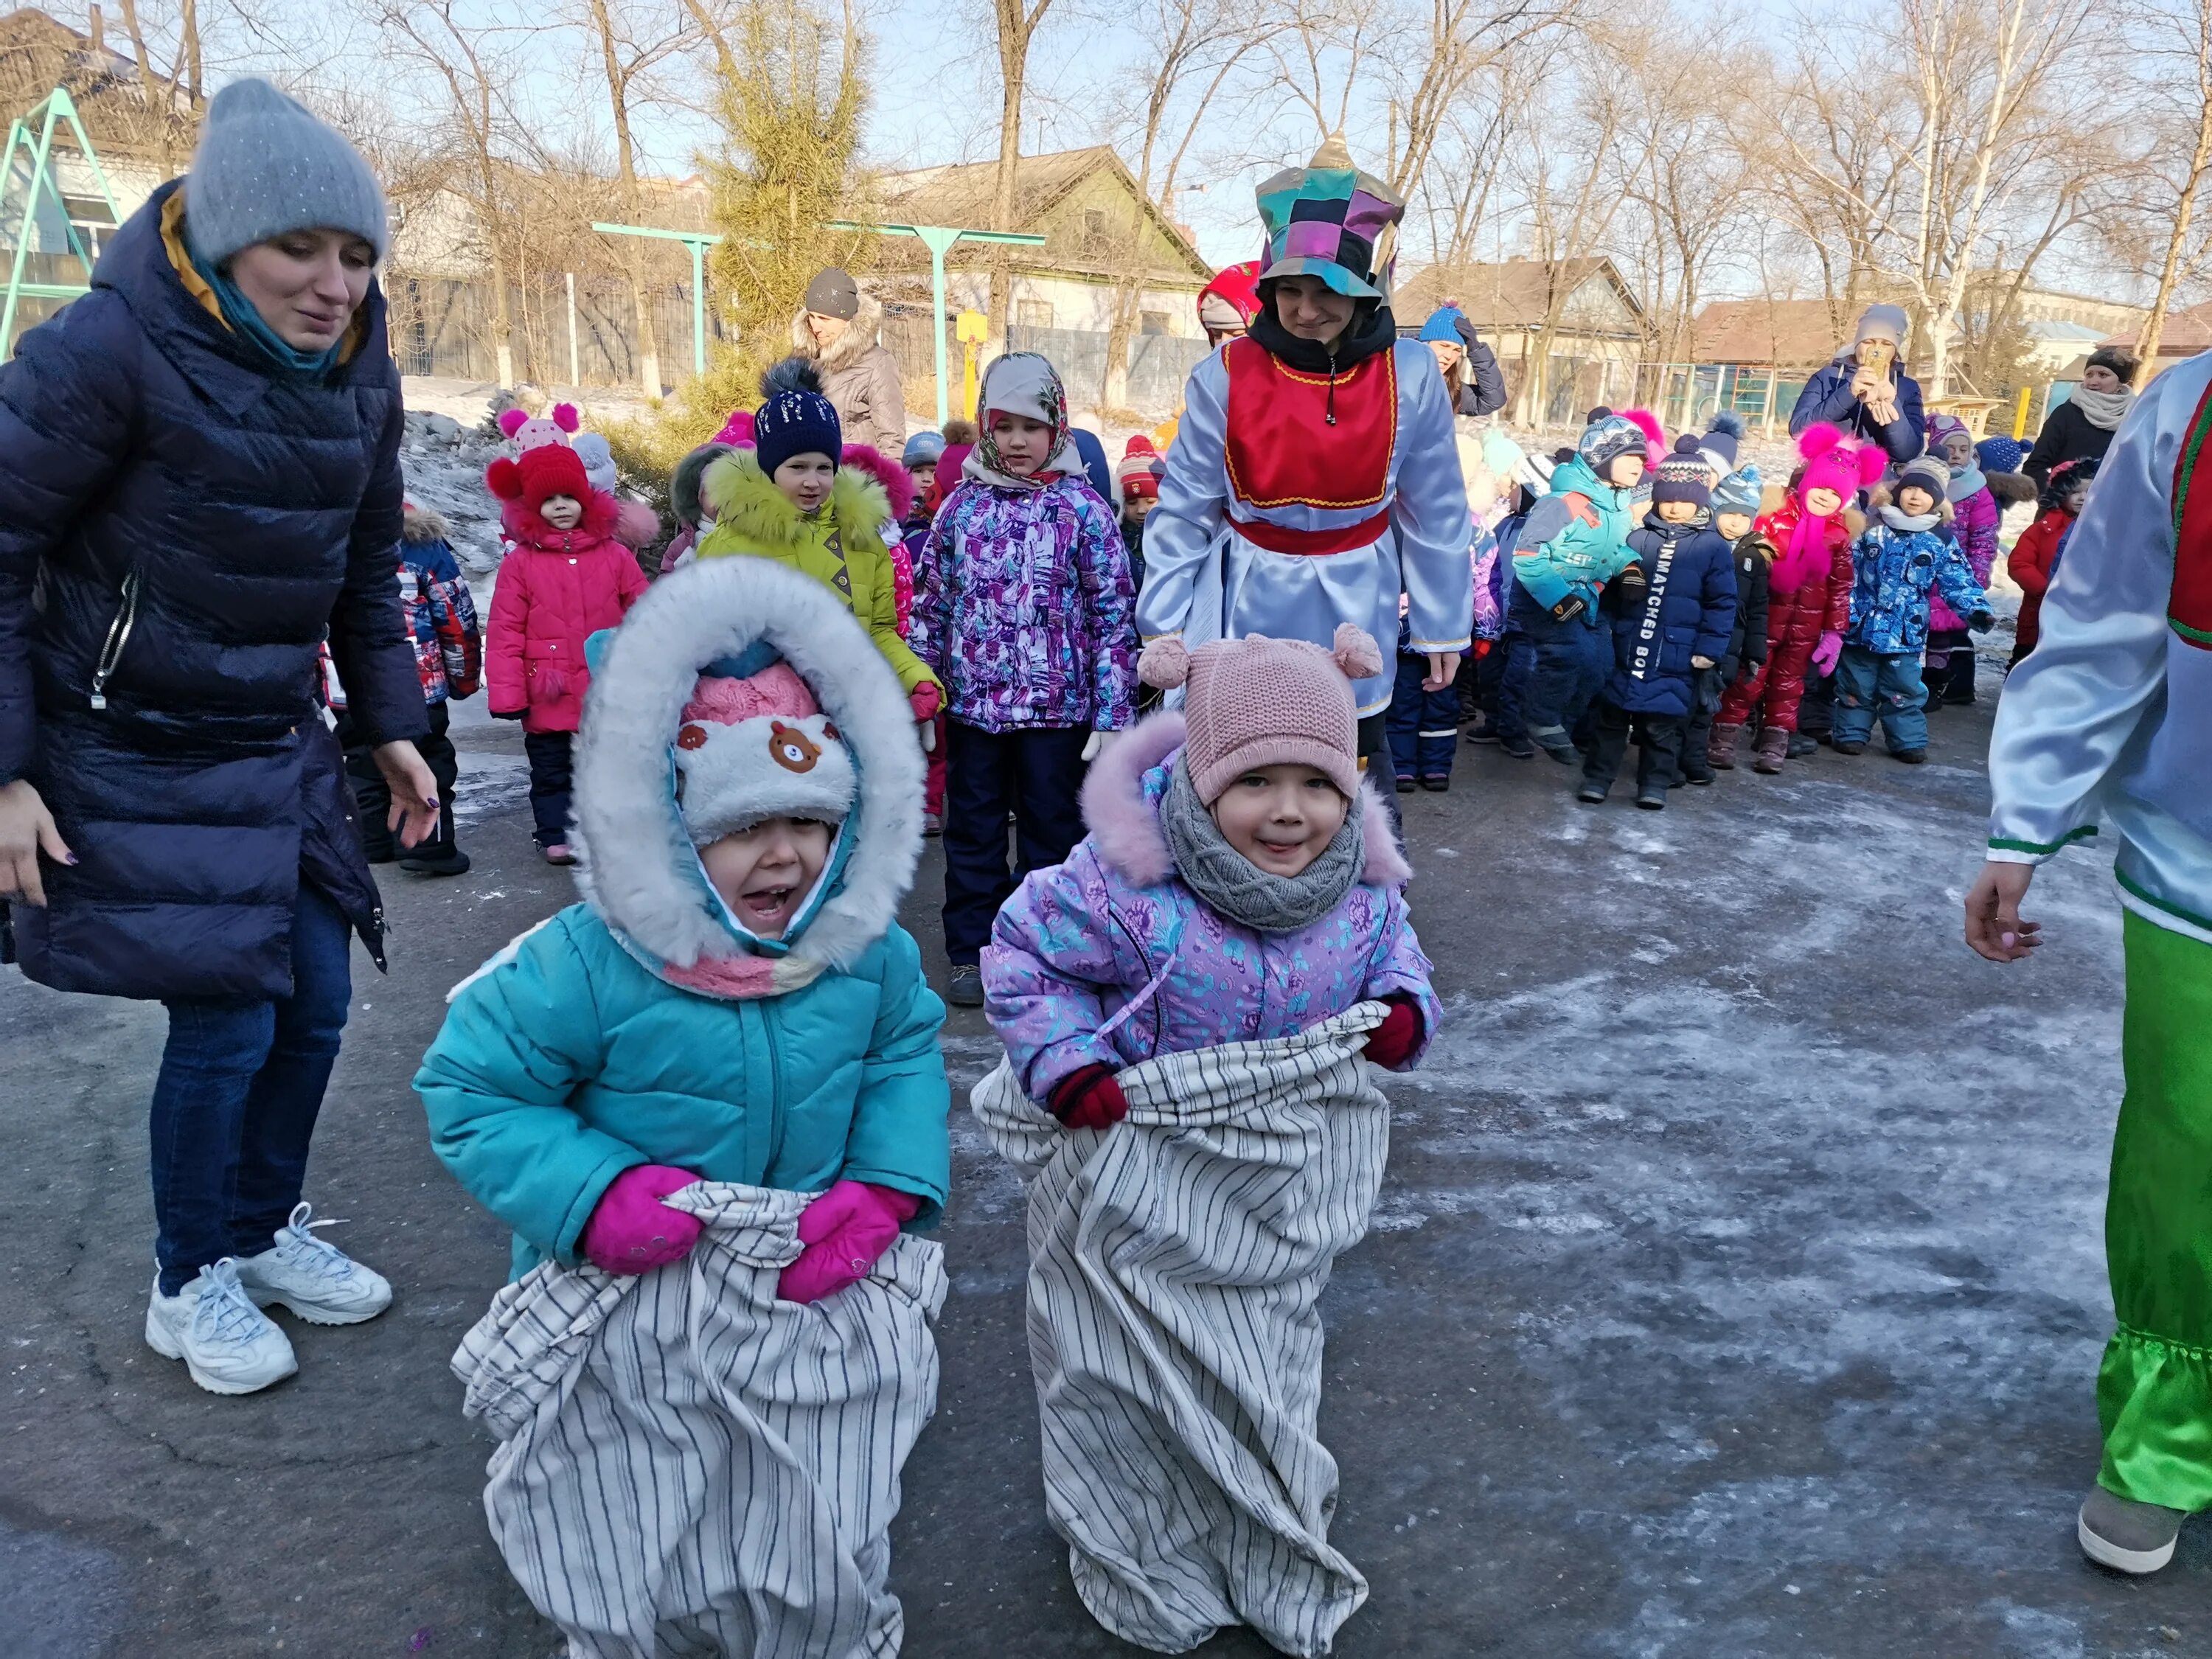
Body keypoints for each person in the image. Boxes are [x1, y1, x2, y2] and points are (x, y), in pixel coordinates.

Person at [418, 556, 950, 1652]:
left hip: (806, 1271)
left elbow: (904, 1055)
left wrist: (887, 1187)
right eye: (740, 825)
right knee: (643, 1503)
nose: (785, 854)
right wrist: (594, 1193)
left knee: (811, 1504)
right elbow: (472, 1086)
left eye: (812, 819)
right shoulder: (589, 960)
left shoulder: (867, 956)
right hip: (631, 1287)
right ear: (662, 828)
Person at [0, 79, 439, 1395]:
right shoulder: (104, 350)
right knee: (230, 1027)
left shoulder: (362, 380)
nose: (332, 284)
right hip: (123, 745)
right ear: (221, 239)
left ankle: (254, 1234)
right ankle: (186, 1279)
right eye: (300, 248)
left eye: (357, 256)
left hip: (272, 740)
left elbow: (365, 574)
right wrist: (8, 768)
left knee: (314, 1007)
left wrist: (394, 729)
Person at [981, 628, 1436, 1654]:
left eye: (1316, 783)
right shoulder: (1125, 885)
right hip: (1137, 1174)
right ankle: (1140, 1521)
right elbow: (1022, 959)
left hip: (1276, 1188)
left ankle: (1256, 1513)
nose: (1289, 811)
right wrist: (1066, 1065)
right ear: (1196, 773)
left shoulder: (1359, 888)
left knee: (1263, 1365)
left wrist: (1407, 1003)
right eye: (1255, 780)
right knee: (1125, 1371)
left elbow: (1399, 951)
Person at [1966, 349, 2212, 1577]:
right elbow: (2108, 621)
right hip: (2203, 876)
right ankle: (2170, 1433)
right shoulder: (2189, 407)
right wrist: (2031, 813)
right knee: (2191, 1154)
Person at [1135, 135, 1471, 781]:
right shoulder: (1225, 374)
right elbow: (1185, 509)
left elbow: (1436, 508)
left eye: (1326, 292)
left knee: (1349, 766)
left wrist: (1441, 626)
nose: (1305, 310)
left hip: (1360, 600)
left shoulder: (1412, 373)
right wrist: (1163, 622)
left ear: (1367, 289)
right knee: (1245, 759)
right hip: (1247, 598)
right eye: (1289, 289)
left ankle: (1355, 877)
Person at [908, 352, 1135, 1009]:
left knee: (1052, 833)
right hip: (975, 710)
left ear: (1056, 428)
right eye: (1003, 426)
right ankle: (972, 952)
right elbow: (932, 605)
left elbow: (1112, 616)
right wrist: (926, 693)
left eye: (1032, 427)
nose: (1016, 442)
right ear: (985, 427)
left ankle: (1043, 951)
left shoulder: (1083, 511)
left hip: (1057, 714)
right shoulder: (961, 510)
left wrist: (1111, 712)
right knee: (972, 831)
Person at [694, 359, 942, 737]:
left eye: (824, 468)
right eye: (798, 467)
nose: (813, 482)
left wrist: (914, 679)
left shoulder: (863, 538)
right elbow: (708, 641)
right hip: (768, 727)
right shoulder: (732, 542)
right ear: (769, 467)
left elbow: (878, 631)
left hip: (851, 716)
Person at [485, 437, 649, 864]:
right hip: (549, 686)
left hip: (604, 684)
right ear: (532, 506)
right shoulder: (521, 562)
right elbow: (505, 628)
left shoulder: (614, 555)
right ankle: (555, 832)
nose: (560, 506)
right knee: (551, 767)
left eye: (569, 497)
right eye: (549, 499)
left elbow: (646, 612)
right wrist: (508, 693)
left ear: (586, 499)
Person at [1711, 423, 1884, 774]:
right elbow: (1749, 564)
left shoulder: (1839, 536)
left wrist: (1835, 633)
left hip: (1806, 628)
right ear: (1807, 483)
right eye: (1821, 486)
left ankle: (1776, 739)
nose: (1825, 496)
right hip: (1763, 620)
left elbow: (1840, 588)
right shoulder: (1773, 520)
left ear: (1846, 498)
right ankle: (1723, 733)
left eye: (1836, 493)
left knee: (1788, 687)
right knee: (1748, 678)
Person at [1576, 434, 1736, 810]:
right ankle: (1597, 778)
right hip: (1627, 644)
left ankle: (1654, 784)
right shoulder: (1639, 536)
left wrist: (1710, 649)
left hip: (1676, 653)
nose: (1675, 508)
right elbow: (1613, 587)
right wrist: (1605, 627)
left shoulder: (1711, 547)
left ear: (1699, 500)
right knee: (1612, 719)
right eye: (1668, 500)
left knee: (1662, 726)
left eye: (1684, 501)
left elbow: (1722, 602)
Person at [338, 501, 480, 877]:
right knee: (429, 758)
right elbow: (455, 615)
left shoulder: (324, 540)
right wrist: (463, 678)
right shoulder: (422, 548)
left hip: (349, 686)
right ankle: (429, 847)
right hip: (417, 686)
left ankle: (374, 840)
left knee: (363, 762)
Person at [1508, 409, 1655, 762]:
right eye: (1631, 457)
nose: (1640, 464)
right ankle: (1540, 719)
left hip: (1585, 598)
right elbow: (1527, 554)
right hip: (1542, 597)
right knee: (1571, 654)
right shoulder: (1563, 504)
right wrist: (1557, 599)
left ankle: (1564, 725)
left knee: (1601, 665)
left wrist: (1630, 566)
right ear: (1601, 459)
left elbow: (1611, 549)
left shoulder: (1618, 508)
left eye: (1642, 457)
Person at [1830, 455, 1992, 762]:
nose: (1916, 496)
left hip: (1905, 632)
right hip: (1862, 625)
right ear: (1898, 490)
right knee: (1855, 684)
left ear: (1938, 499)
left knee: (1902, 688)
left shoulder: (1940, 540)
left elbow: (1957, 579)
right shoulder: (1872, 529)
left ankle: (1907, 740)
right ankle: (1851, 733)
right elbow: (1846, 570)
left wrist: (1976, 608)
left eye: (1926, 491)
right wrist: (1841, 607)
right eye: (1910, 488)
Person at [1685, 463, 1773, 783]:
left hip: (1728, 646)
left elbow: (1759, 610)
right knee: (1682, 702)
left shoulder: (1756, 557)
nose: (1736, 523)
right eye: (1729, 513)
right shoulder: (1697, 544)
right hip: (1692, 637)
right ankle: (1666, 760)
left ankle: (1694, 760)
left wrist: (1754, 653)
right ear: (1714, 509)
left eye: (1744, 517)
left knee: (1707, 706)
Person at [1921, 412, 2002, 711]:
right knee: (1912, 628)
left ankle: (1934, 684)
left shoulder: (1976, 488)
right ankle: (1901, 682)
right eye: (1950, 448)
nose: (1956, 455)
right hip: (1919, 570)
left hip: (1953, 574)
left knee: (1941, 633)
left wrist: (1977, 574)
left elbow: (1983, 536)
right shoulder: (1924, 480)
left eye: (1963, 449)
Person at [789, 265, 906, 455]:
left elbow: (892, 439)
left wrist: (885, 483)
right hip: (805, 475)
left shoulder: (877, 363)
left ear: (848, 321)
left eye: (824, 319)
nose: (815, 326)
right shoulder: (803, 359)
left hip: (853, 476)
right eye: (811, 316)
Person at [1790, 302, 1927, 462]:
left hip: (1878, 482)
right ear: (1857, 343)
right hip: (1829, 477)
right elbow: (1798, 429)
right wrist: (1848, 393)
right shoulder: (1827, 377)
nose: (1876, 350)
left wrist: (1892, 404)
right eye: (1869, 342)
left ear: (1895, 351)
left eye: (1886, 344)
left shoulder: (1907, 388)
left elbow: (1909, 453)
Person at [2007, 457, 2096, 666]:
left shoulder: (2100, 530)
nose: (2083, 498)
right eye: (2075, 492)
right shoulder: (2043, 530)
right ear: (2060, 493)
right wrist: (2043, 589)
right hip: (2040, 610)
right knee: (2028, 660)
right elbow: (2020, 563)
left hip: (2081, 610)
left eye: (2090, 492)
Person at [2025, 347, 2138, 487]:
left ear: (2121, 382)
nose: (2093, 381)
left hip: (2113, 507)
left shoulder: (2135, 417)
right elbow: (2034, 467)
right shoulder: (2066, 414)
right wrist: (2060, 496)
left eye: (2103, 375)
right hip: (2065, 507)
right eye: (2089, 375)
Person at [1416, 303, 1508, 417]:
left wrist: (1476, 349)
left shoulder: (1448, 389)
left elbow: (1493, 400)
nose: (1449, 356)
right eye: (1444, 346)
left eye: (1456, 350)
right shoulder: (1396, 374)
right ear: (1425, 344)